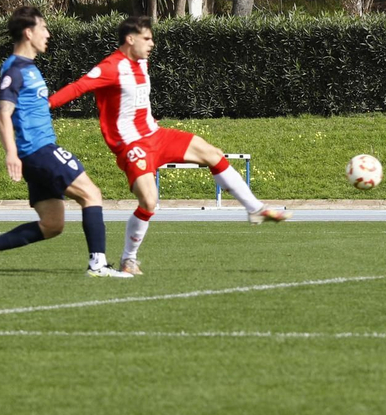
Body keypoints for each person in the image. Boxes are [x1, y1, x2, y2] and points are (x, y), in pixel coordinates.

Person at [48, 15, 288, 276]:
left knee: (212, 154)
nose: (152, 43)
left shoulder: (141, 62)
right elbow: (78, 88)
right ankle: (129, 259)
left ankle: (255, 209)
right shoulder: (110, 67)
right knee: (149, 202)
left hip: (156, 135)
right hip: (131, 145)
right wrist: (44, 106)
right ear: (130, 39)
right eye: (147, 38)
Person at [0, 6, 131, 279]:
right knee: (92, 194)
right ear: (28, 33)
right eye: (43, 28)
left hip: (36, 154)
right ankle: (98, 264)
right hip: (39, 150)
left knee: (53, 224)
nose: (48, 34)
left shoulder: (29, 68)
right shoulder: (15, 69)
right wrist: (11, 153)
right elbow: (3, 113)